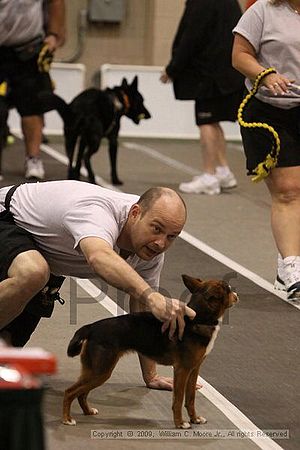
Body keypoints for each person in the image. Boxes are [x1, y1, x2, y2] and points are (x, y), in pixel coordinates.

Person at [0, 181, 196, 390]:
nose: (161, 243)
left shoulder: (150, 251)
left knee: (6, 352)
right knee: (33, 272)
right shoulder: (96, 212)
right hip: (7, 218)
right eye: (156, 229)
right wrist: (152, 296)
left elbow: (143, 310)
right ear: (135, 213)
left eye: (171, 237)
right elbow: (99, 256)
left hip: (42, 254)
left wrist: (151, 375)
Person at [232, 0, 300, 299]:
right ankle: (290, 267)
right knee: (288, 190)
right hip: (269, 112)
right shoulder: (262, 11)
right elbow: (239, 55)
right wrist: (267, 75)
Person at [160, 0, 244, 195]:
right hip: (228, 72)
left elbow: (191, 37)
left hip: (209, 74)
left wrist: (173, 68)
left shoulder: (202, 3)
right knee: (213, 121)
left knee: (205, 122)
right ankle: (223, 171)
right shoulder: (229, 2)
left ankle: (209, 175)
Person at [0, 0, 65, 180]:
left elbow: (55, 2)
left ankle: (33, 159)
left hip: (28, 50)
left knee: (32, 109)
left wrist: (54, 34)